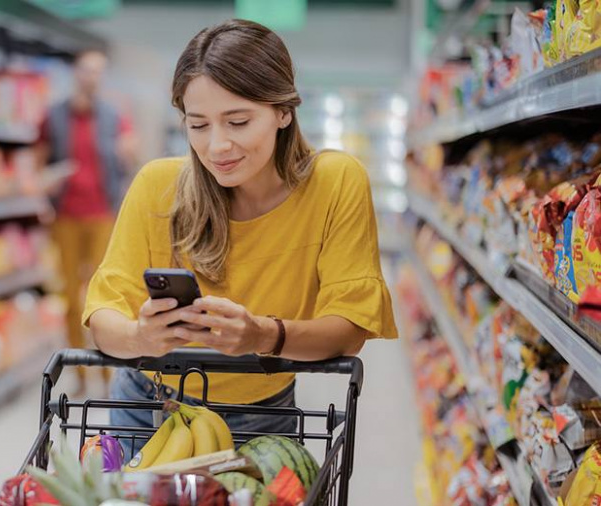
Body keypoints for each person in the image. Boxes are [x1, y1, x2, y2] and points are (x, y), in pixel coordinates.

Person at [81, 19, 398, 458]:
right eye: (199, 125)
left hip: (261, 416)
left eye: (238, 121)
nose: (217, 147)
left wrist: (261, 336)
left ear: (283, 111)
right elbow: (102, 316)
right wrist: (141, 338)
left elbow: (349, 330)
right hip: (145, 407)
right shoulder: (157, 186)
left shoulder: (335, 183)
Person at [39, 49, 138, 393]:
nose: (91, 77)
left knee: (105, 297)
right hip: (65, 215)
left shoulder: (114, 116)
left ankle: (109, 371)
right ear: (75, 74)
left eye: (98, 71)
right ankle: (78, 372)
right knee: (69, 295)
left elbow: (130, 155)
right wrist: (45, 183)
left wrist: (128, 154)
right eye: (86, 70)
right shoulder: (54, 116)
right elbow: (39, 162)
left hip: (102, 215)